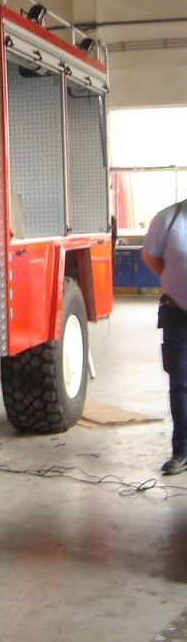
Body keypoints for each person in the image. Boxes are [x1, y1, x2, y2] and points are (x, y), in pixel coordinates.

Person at [142, 199, 187, 475]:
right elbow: (150, 256)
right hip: (177, 314)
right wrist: (172, 280)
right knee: (181, 383)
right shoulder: (169, 218)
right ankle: (182, 450)